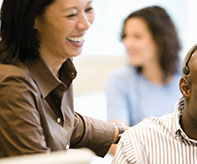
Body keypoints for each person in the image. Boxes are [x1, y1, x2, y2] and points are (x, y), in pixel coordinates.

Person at [0, 0, 124, 158]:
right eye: (71, 14)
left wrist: (121, 132)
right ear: (33, 20)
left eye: (88, 9)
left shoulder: (59, 62)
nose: (85, 24)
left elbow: (63, 123)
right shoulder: (12, 85)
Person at [105, 6, 182, 127]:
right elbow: (116, 136)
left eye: (137, 36)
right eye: (125, 36)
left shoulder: (190, 73)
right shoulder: (119, 80)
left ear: (161, 39)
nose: (127, 43)